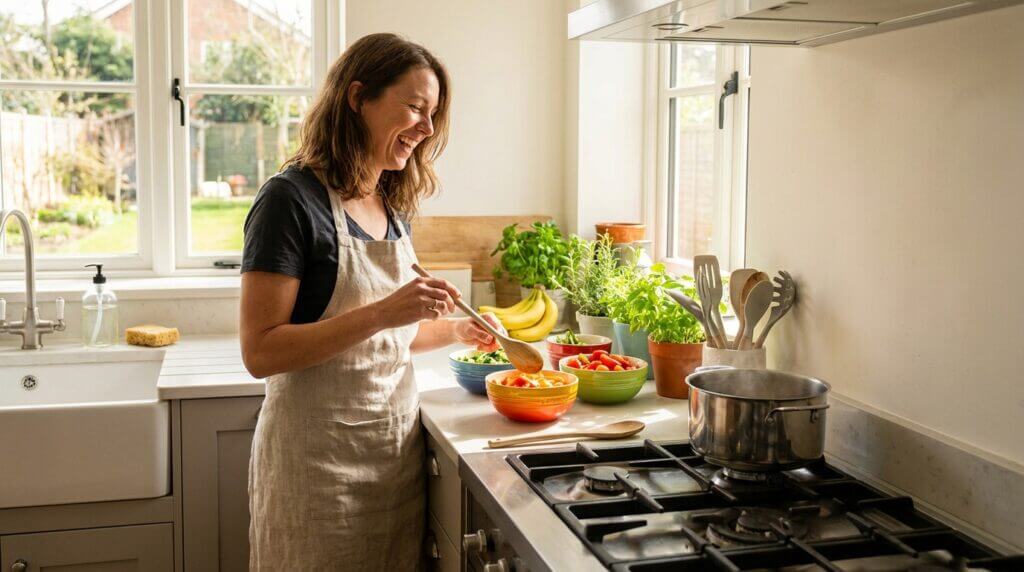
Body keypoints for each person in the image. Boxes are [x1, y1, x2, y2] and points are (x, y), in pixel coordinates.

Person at [240, 33, 497, 570]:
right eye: (415, 108)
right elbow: (261, 352)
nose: (427, 129)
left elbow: (384, 340)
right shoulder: (289, 200)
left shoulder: (389, 200)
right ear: (358, 98)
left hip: (391, 460)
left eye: (434, 115)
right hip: (315, 470)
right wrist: (386, 310)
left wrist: (453, 331)